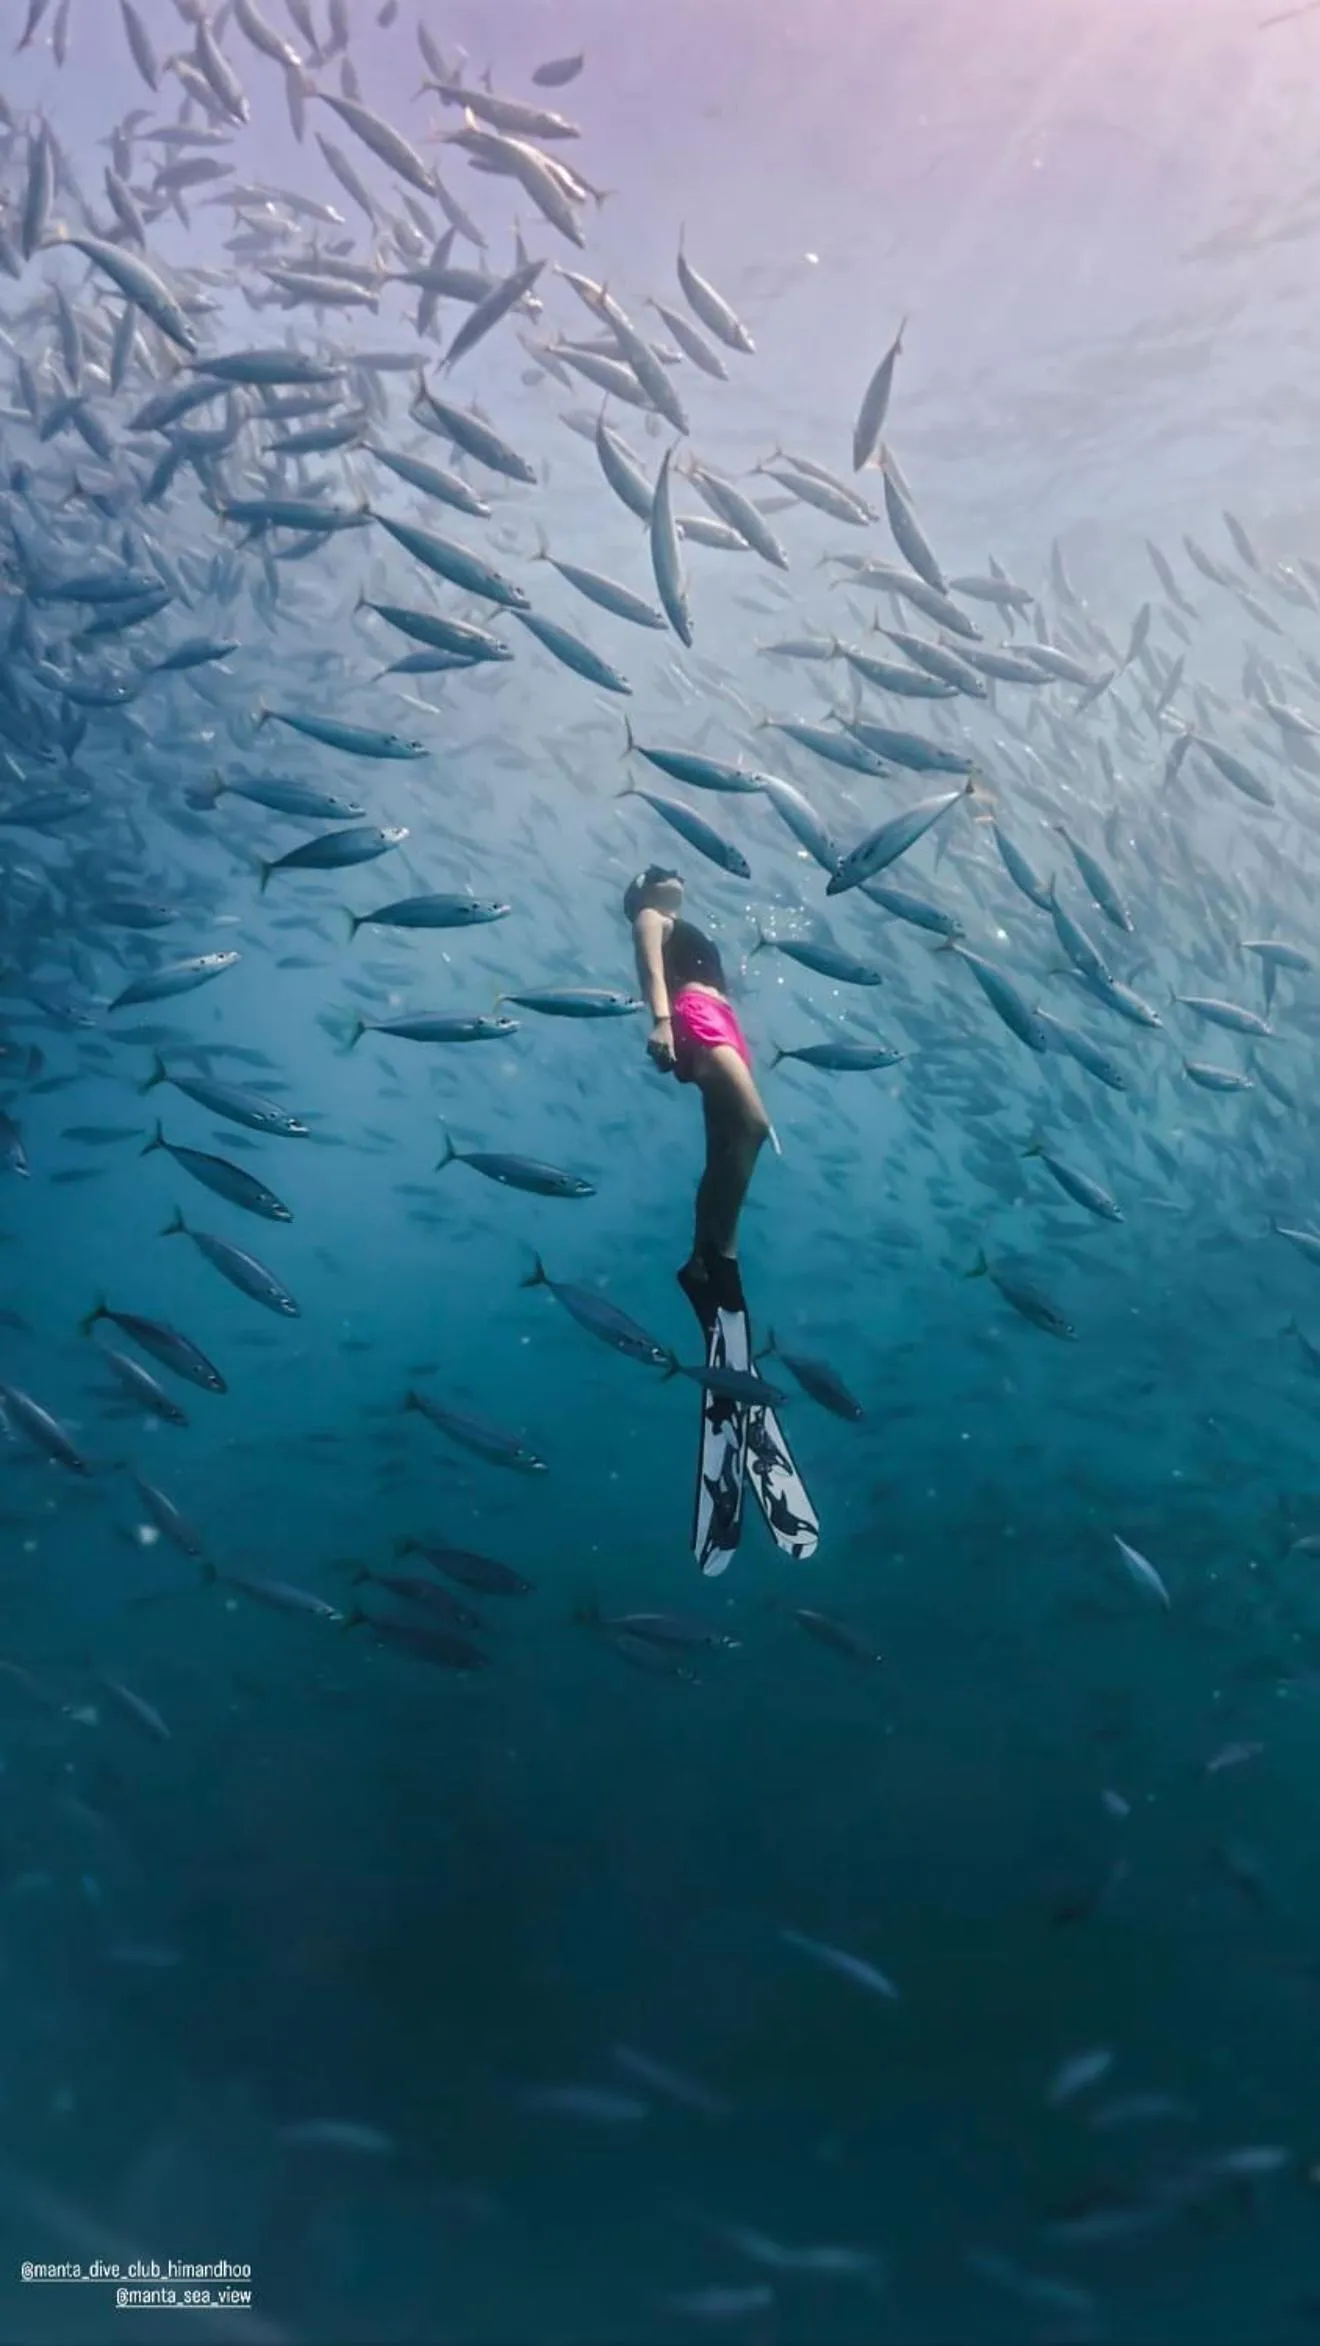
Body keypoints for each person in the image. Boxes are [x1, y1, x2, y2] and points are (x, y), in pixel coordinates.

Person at [624, 865, 772, 1320]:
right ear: (642, 890)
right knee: (753, 1126)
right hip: (696, 1015)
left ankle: (702, 1261)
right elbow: (650, 969)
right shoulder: (649, 916)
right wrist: (662, 1022)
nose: (676, 875)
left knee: (726, 1145)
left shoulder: (676, 924)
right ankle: (720, 1252)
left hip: (719, 1020)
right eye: (661, 872)